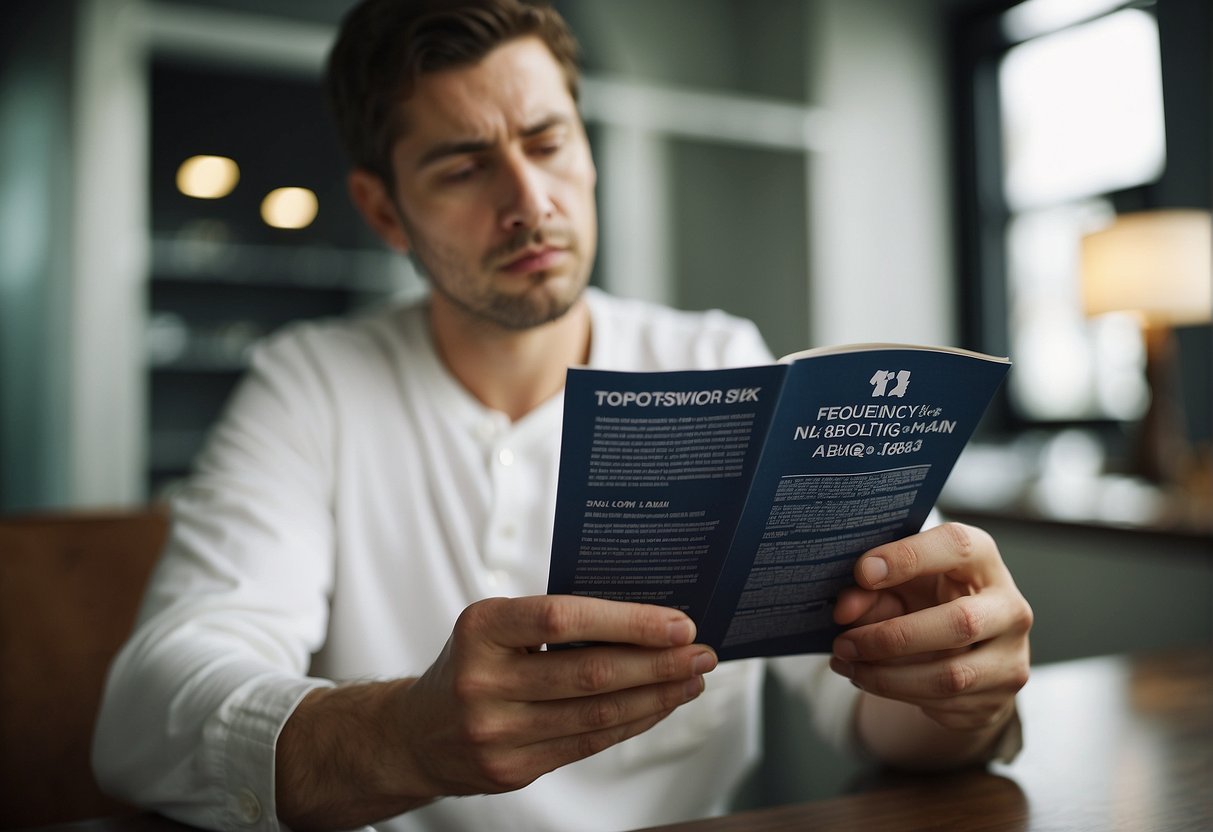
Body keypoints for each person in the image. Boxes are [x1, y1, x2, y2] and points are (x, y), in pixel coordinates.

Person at [92, 1, 1033, 830]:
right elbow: (145, 715)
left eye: (547, 143)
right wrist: (405, 737)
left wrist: (961, 694)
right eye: (464, 168)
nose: (528, 202)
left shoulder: (718, 362)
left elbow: (871, 710)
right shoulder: (312, 385)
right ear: (384, 212)